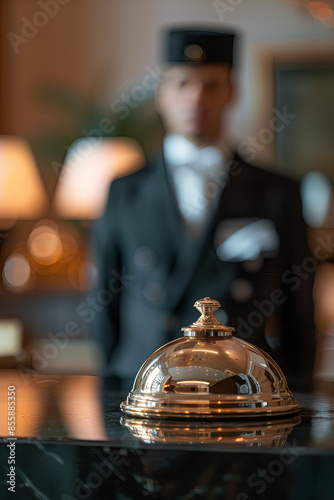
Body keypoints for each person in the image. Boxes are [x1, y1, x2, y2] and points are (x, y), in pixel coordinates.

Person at [88, 27, 315, 391]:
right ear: (162, 95)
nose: (196, 97)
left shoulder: (278, 193)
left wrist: (297, 402)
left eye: (211, 85)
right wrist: (112, 396)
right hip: (145, 392)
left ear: (232, 93)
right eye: (181, 84)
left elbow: (300, 318)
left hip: (242, 394)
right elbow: (103, 307)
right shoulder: (124, 191)